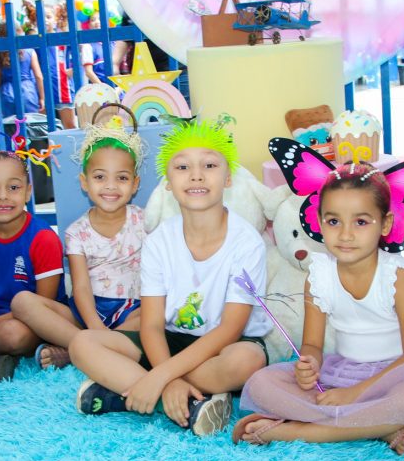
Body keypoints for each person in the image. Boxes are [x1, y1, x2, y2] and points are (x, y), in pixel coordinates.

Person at [68, 118, 272, 437]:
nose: (196, 175)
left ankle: (129, 392)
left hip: (225, 344)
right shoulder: (158, 240)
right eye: (182, 167)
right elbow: (151, 325)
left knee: (247, 362)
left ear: (229, 177)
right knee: (82, 343)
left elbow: (231, 329)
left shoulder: (247, 243)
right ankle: (179, 399)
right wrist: (169, 378)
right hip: (170, 339)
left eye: (209, 165)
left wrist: (160, 375)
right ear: (167, 181)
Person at [234, 162, 404, 455]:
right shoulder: (319, 275)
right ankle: (382, 427)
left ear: (385, 224)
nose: (346, 234)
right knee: (262, 383)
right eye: (334, 221)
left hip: (395, 375)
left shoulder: (397, 275)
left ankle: (296, 431)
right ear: (319, 222)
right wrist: (309, 365)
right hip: (342, 373)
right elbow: (312, 344)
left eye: (361, 222)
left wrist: (355, 394)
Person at [12, 120, 145, 370]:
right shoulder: (76, 232)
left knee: (159, 313)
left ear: (135, 184)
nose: (110, 185)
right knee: (22, 302)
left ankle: (76, 352)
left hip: (131, 309)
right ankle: (89, 345)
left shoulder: (144, 221)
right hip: (86, 311)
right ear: (84, 182)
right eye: (100, 177)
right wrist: (94, 327)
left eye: (122, 178)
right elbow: (81, 286)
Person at [0, 151, 65, 380]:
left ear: (28, 191)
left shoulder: (42, 238)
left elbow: (43, 305)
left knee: (12, 335)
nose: (2, 196)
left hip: (37, 321)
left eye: (13, 187)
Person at [0, 19, 44, 117]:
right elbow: (38, 76)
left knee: (11, 123)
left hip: (7, 92)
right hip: (27, 91)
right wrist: (42, 98)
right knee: (30, 121)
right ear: (20, 31)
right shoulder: (30, 52)